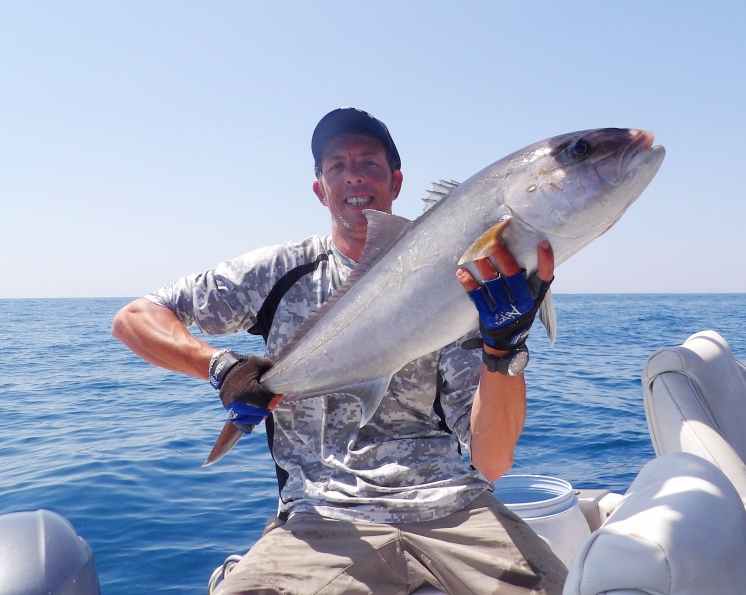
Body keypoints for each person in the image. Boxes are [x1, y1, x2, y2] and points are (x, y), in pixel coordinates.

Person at [112, 107, 565, 594]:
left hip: (453, 507)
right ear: (320, 189)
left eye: (369, 163)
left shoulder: (466, 275)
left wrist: (503, 348)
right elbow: (135, 319)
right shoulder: (279, 271)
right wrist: (221, 367)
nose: (354, 175)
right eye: (336, 165)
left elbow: (492, 460)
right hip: (322, 516)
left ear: (395, 182)